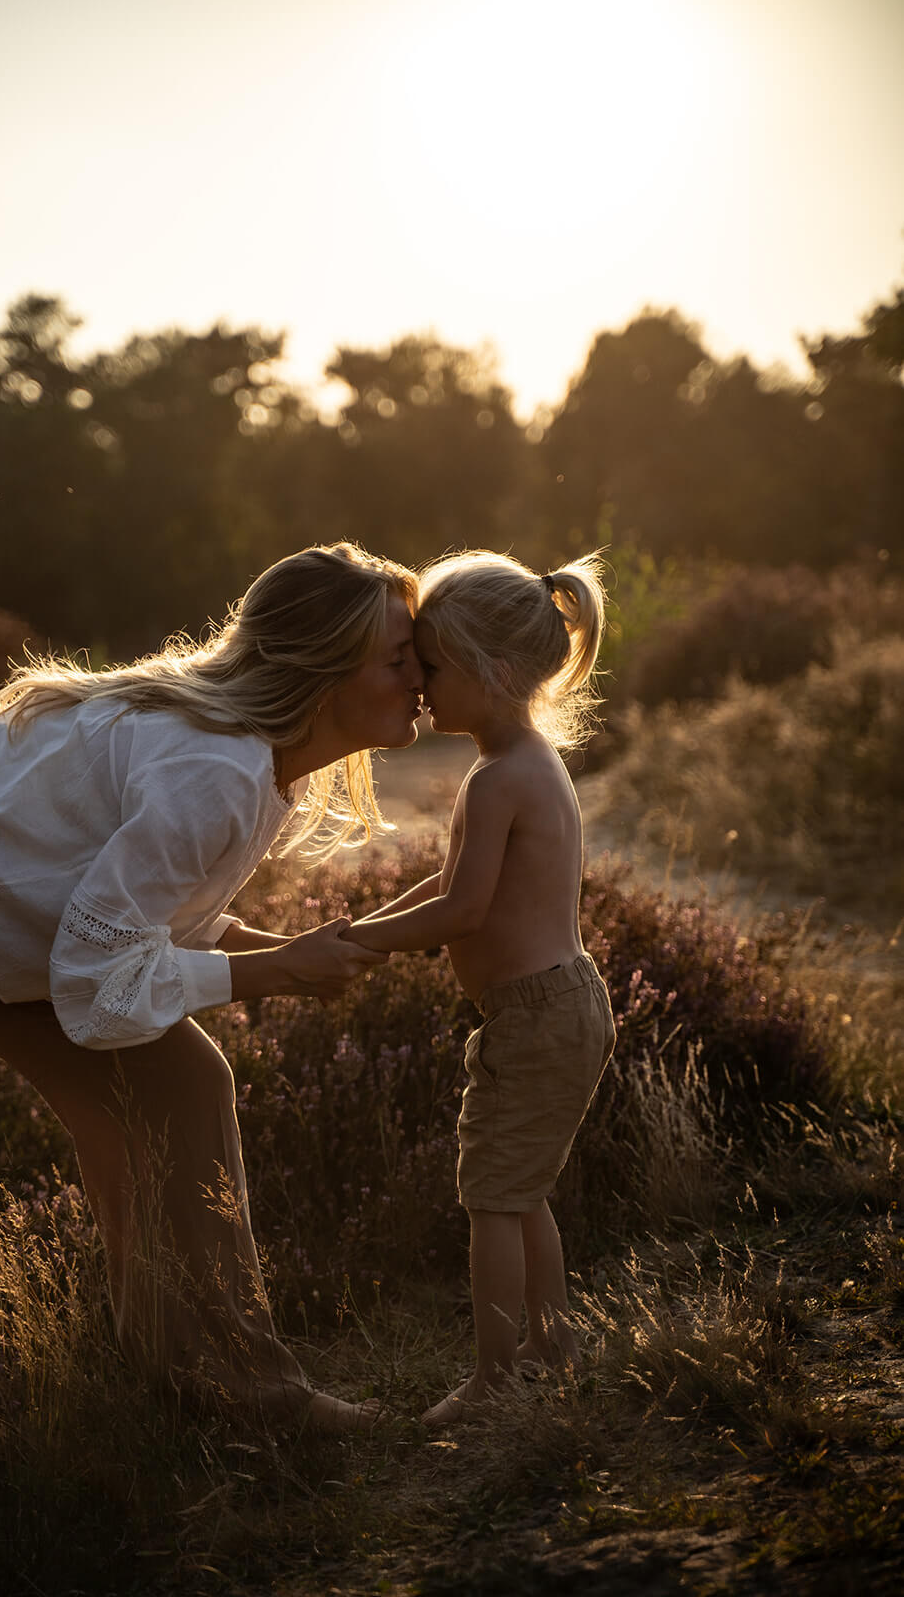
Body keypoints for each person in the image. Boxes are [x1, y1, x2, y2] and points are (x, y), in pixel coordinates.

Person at [0, 542, 425, 1429]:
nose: (422, 676)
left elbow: (133, 913)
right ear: (327, 671)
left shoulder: (259, 765)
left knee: (179, 1087)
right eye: (399, 658)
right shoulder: (218, 770)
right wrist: (272, 971)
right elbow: (94, 983)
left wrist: (282, 951)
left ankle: (229, 1393)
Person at [343, 549, 616, 1428]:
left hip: (539, 1016)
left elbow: (462, 910)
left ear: (492, 673)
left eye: (433, 668)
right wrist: (362, 930)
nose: (418, 686)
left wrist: (366, 943)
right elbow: (457, 886)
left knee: (492, 1200)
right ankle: (552, 1345)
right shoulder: (515, 763)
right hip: (549, 1010)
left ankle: (495, 1380)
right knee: (517, 1186)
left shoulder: (503, 777)